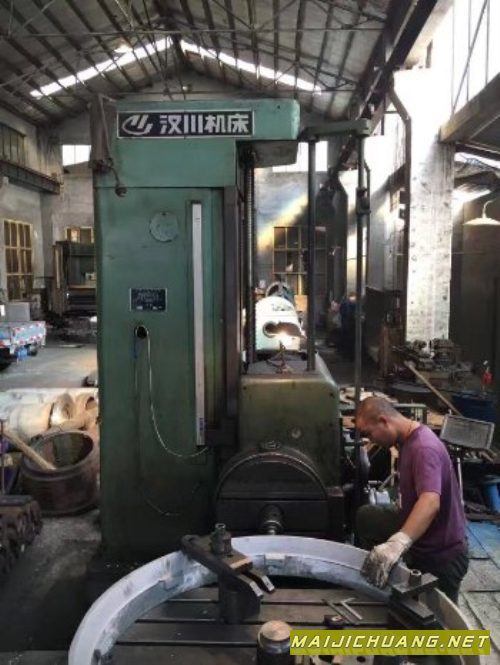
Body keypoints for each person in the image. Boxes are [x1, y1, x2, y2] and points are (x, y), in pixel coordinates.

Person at [355, 396, 468, 603]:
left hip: (441, 555)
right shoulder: (406, 441)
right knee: (367, 517)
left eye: (369, 433)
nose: (371, 440)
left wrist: (397, 543)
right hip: (424, 540)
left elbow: (430, 501)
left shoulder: (423, 448)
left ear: (384, 421)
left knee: (436, 619)